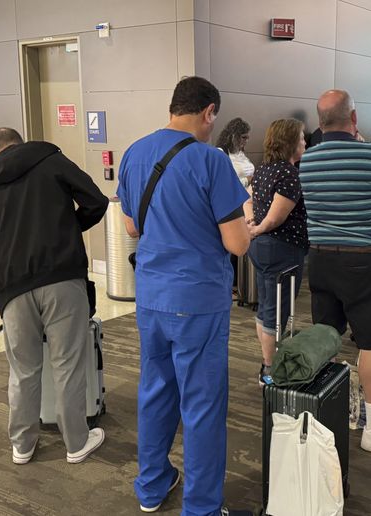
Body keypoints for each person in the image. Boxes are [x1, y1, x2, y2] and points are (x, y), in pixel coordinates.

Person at [116, 77, 252, 516]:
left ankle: (152, 487)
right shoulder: (210, 161)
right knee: (202, 405)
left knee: (155, 391)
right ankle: (202, 508)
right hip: (197, 301)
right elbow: (237, 245)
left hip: (151, 295)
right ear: (209, 112)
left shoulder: (135, 152)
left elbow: (131, 228)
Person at [0, 128, 109, 467]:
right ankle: (76, 442)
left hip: (13, 289)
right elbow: (97, 200)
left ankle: (22, 445)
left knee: (23, 369)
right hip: (62, 277)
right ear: (21, 144)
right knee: (68, 363)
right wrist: (68, 229)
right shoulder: (51, 161)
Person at [300, 89, 371, 452]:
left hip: (319, 259)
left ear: (319, 122)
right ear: (354, 118)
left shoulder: (308, 159)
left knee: (325, 339)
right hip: (363, 259)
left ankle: (322, 417)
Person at [247, 118, 309, 386]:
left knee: (266, 308)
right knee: (277, 310)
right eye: (302, 138)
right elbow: (277, 217)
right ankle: (269, 370)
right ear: (291, 143)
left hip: (262, 249)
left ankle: (269, 363)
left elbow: (246, 198)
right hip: (282, 249)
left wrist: (251, 225)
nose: (305, 143)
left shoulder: (263, 169)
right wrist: (260, 227)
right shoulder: (288, 174)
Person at [216, 117, 254, 187]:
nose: (246, 141)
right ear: (233, 136)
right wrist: (247, 180)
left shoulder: (240, 153)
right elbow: (222, 183)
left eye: (247, 138)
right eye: (243, 137)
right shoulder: (220, 152)